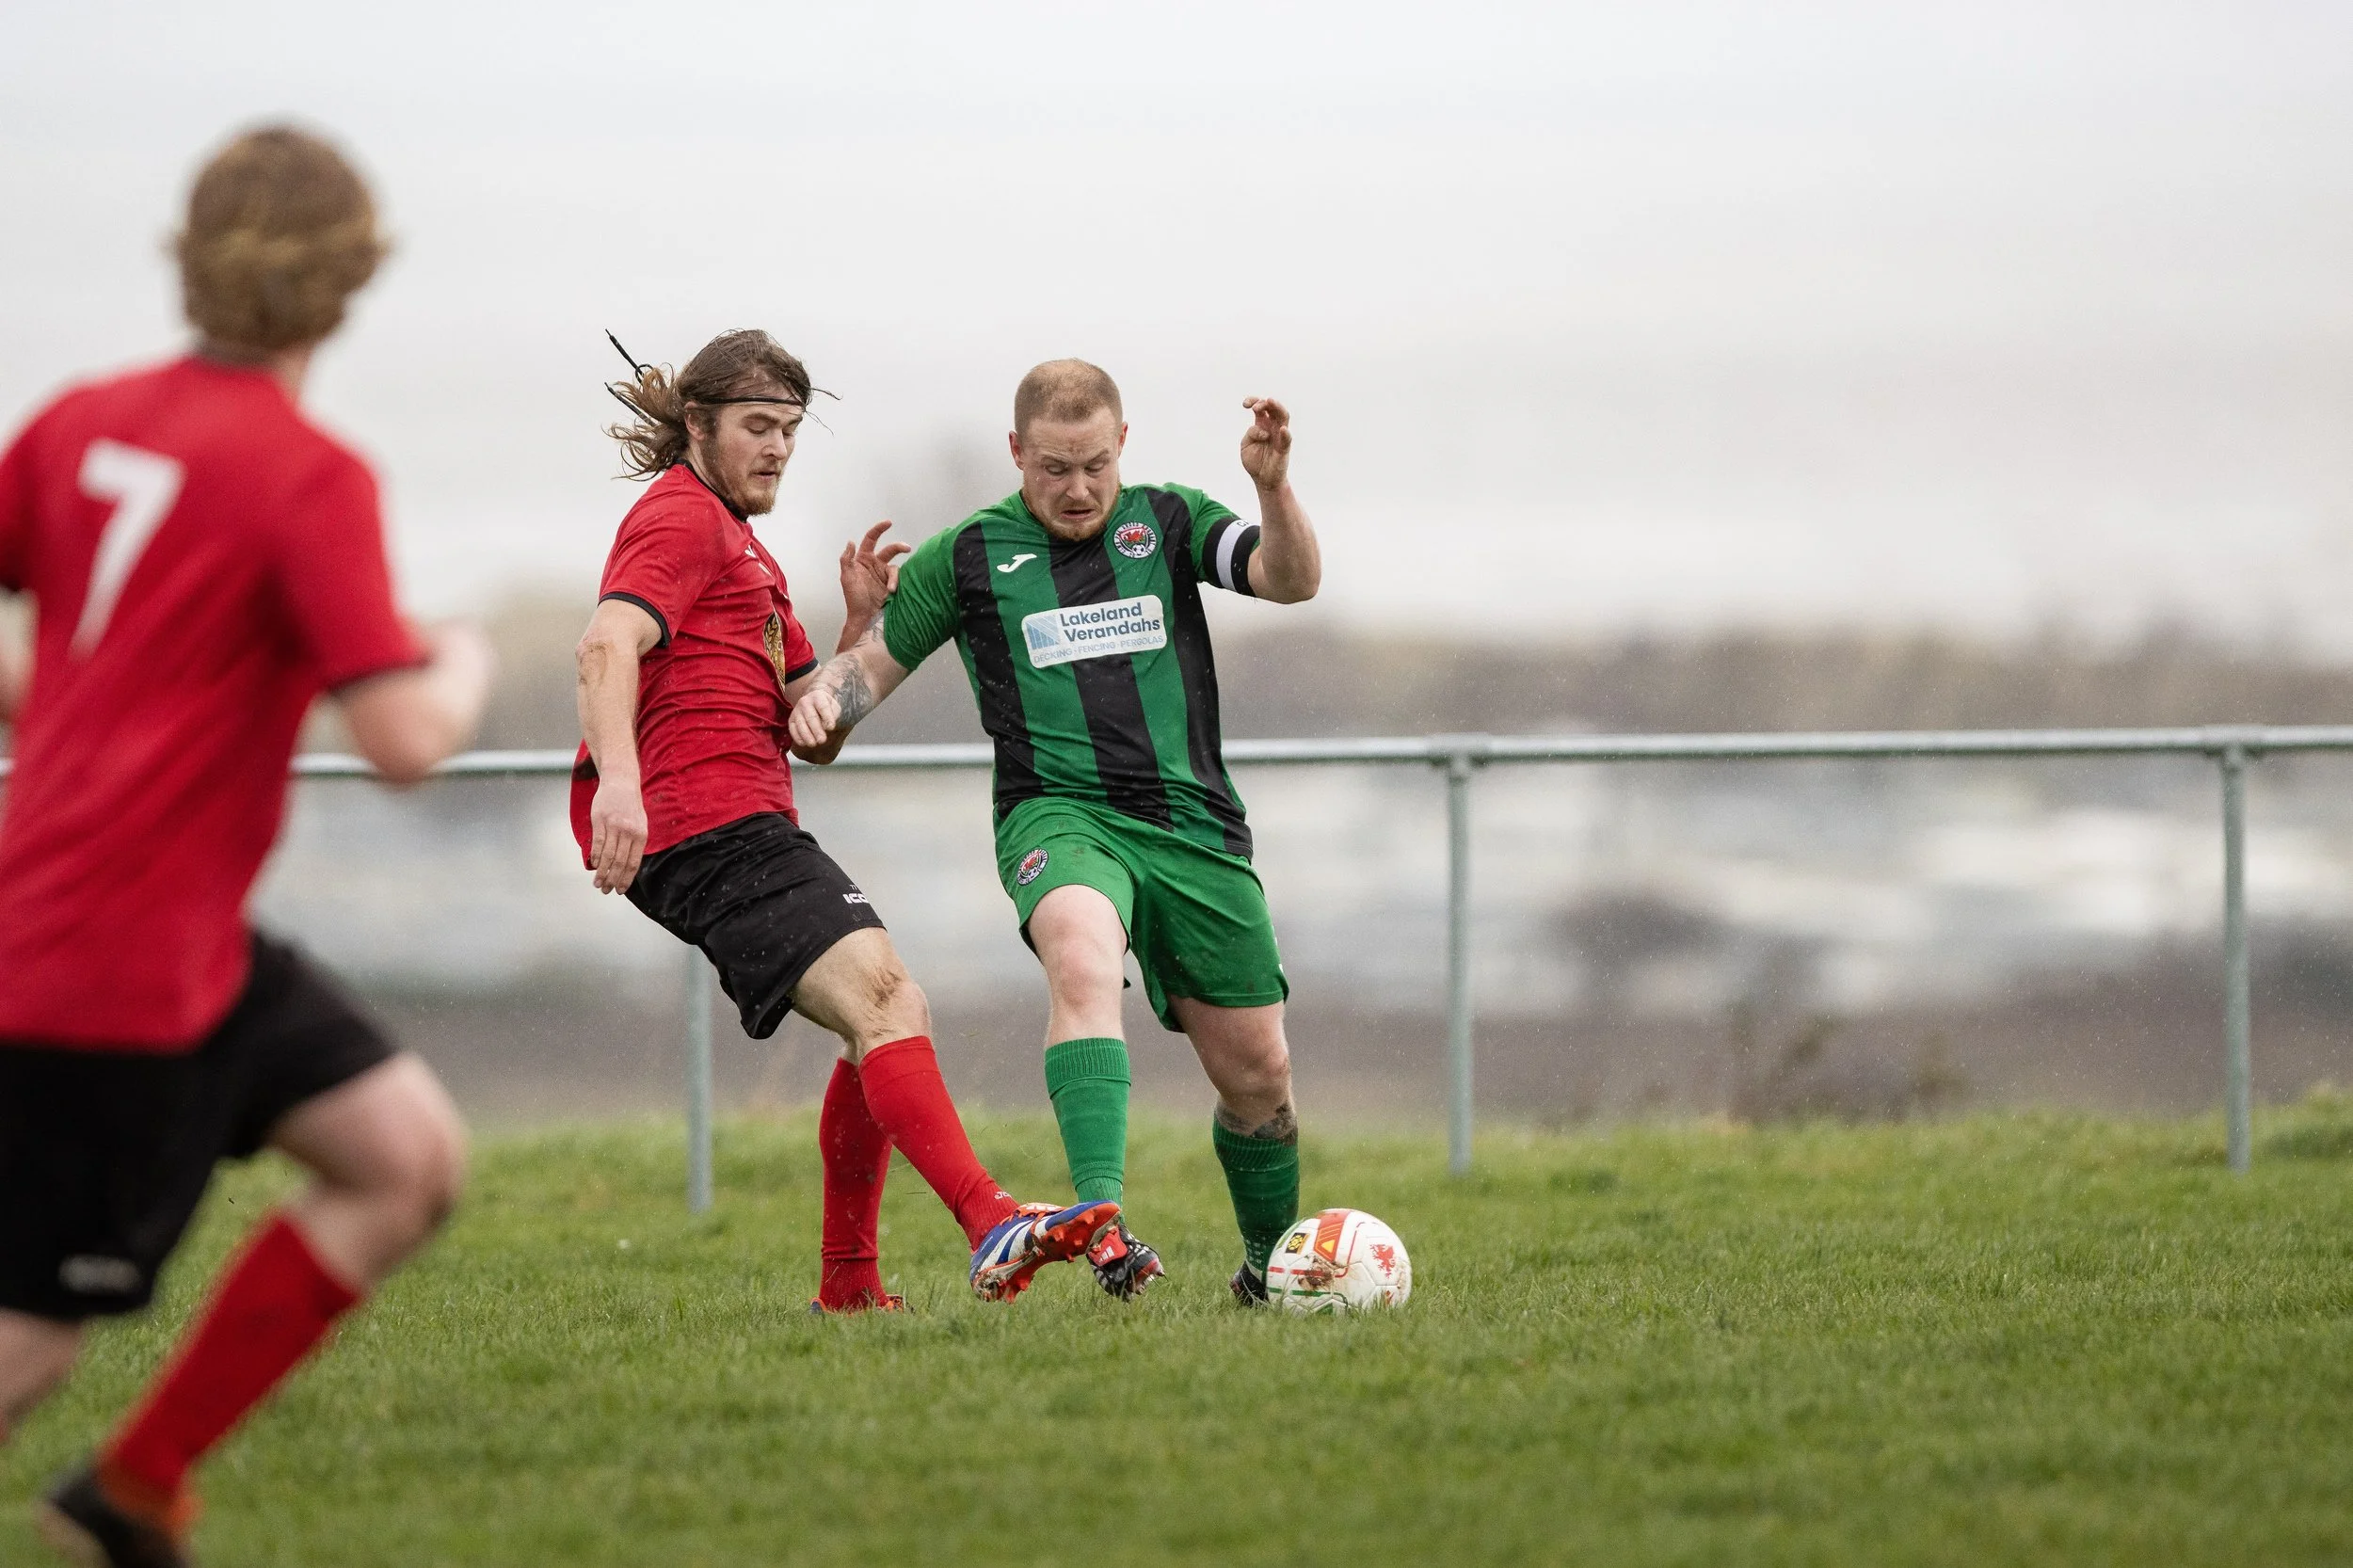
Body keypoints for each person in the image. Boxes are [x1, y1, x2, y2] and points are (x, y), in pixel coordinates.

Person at [0, 127, 494, 1567]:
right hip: (109, 962)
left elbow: (96, 627)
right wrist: (453, 660)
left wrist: (90, 690)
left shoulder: (84, 420)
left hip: (172, 938)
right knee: (36, 1328)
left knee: (404, 1157)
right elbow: (403, 739)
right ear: (347, 287)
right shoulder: (305, 471)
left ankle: (132, 1491)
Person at [573, 331, 1118, 1315]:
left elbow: (808, 729)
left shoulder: (746, 550)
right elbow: (608, 639)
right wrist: (620, 780)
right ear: (695, 427)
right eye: (754, 426)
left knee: (881, 1020)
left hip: (745, 813)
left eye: (786, 428)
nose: (776, 447)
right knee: (887, 1001)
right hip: (702, 821)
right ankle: (991, 1220)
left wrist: (861, 628)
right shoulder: (681, 521)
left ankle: (852, 1292)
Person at [788, 360, 1321, 1304]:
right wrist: (836, 665)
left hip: (1191, 827)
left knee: (1258, 1076)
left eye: (1093, 467)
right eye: (1052, 469)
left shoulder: (1165, 521)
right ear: (1015, 454)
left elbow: (1289, 581)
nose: (1076, 490)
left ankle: (1269, 1270)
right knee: (1080, 957)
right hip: (1057, 815)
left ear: (1122, 448)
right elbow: (841, 710)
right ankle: (1104, 1228)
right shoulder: (966, 556)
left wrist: (1272, 487)